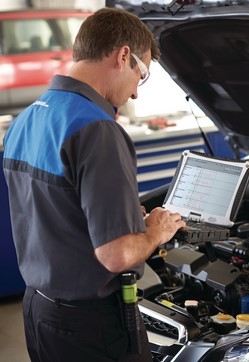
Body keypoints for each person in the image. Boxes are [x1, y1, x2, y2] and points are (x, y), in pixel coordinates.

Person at [2, 7, 186, 362]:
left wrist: (123, 216)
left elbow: (56, 211)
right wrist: (154, 232)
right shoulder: (97, 130)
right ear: (122, 56)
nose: (136, 94)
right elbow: (116, 255)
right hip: (89, 326)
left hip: (39, 311)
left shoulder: (28, 117)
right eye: (142, 75)